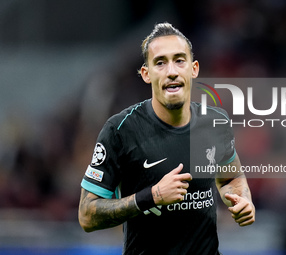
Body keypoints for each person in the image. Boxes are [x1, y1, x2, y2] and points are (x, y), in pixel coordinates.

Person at [78, 22, 255, 254]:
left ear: (194, 69)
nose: (171, 71)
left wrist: (242, 199)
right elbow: (87, 215)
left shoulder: (215, 122)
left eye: (179, 60)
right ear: (146, 74)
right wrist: (152, 196)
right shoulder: (120, 130)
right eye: (160, 63)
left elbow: (231, 178)